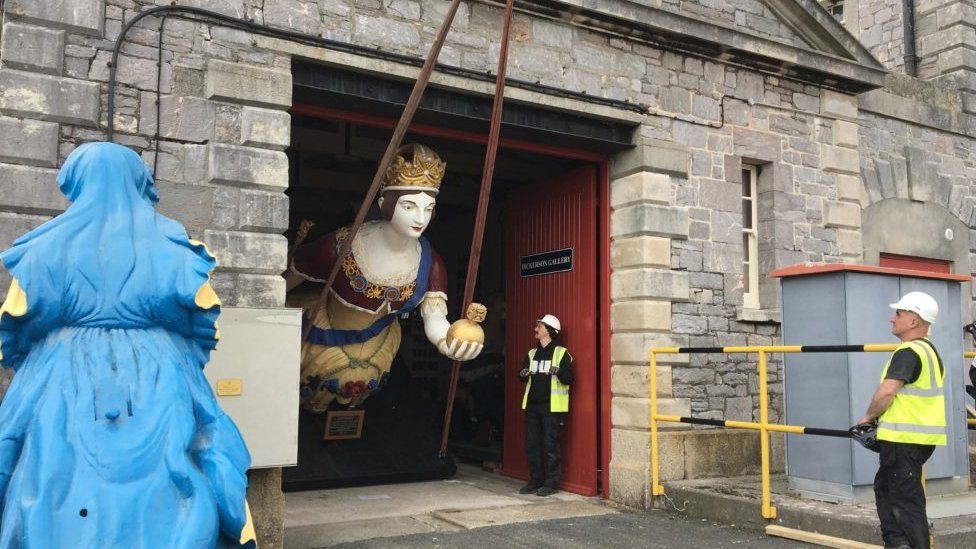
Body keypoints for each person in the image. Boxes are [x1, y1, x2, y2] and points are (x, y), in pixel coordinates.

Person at [0, 142, 254, 547]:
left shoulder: (42, 246)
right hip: (160, 370)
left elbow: (22, 322)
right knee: (176, 461)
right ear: (139, 182)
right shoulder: (173, 243)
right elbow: (197, 318)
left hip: (61, 369)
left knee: (51, 463)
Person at [286, 143, 483, 412]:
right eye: (410, 206)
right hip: (321, 343)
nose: (420, 218)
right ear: (385, 205)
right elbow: (290, 277)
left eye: (429, 208)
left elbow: (435, 318)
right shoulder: (341, 247)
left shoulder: (431, 261)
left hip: (378, 353)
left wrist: (448, 342)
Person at [857, 291, 945, 549]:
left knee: (905, 503)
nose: (892, 319)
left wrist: (868, 416)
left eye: (899, 313)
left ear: (914, 321)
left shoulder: (909, 352)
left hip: (903, 440)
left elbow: (887, 392)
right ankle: (897, 544)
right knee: (887, 490)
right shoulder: (929, 352)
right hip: (918, 439)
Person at [518, 314, 573, 496]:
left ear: (548, 330)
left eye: (539, 326)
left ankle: (551, 483)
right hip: (533, 407)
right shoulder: (531, 353)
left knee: (550, 445)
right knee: (532, 445)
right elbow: (520, 375)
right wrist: (523, 373)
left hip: (551, 408)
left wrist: (559, 372)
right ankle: (535, 481)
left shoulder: (561, 353)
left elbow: (569, 379)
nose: (536, 329)